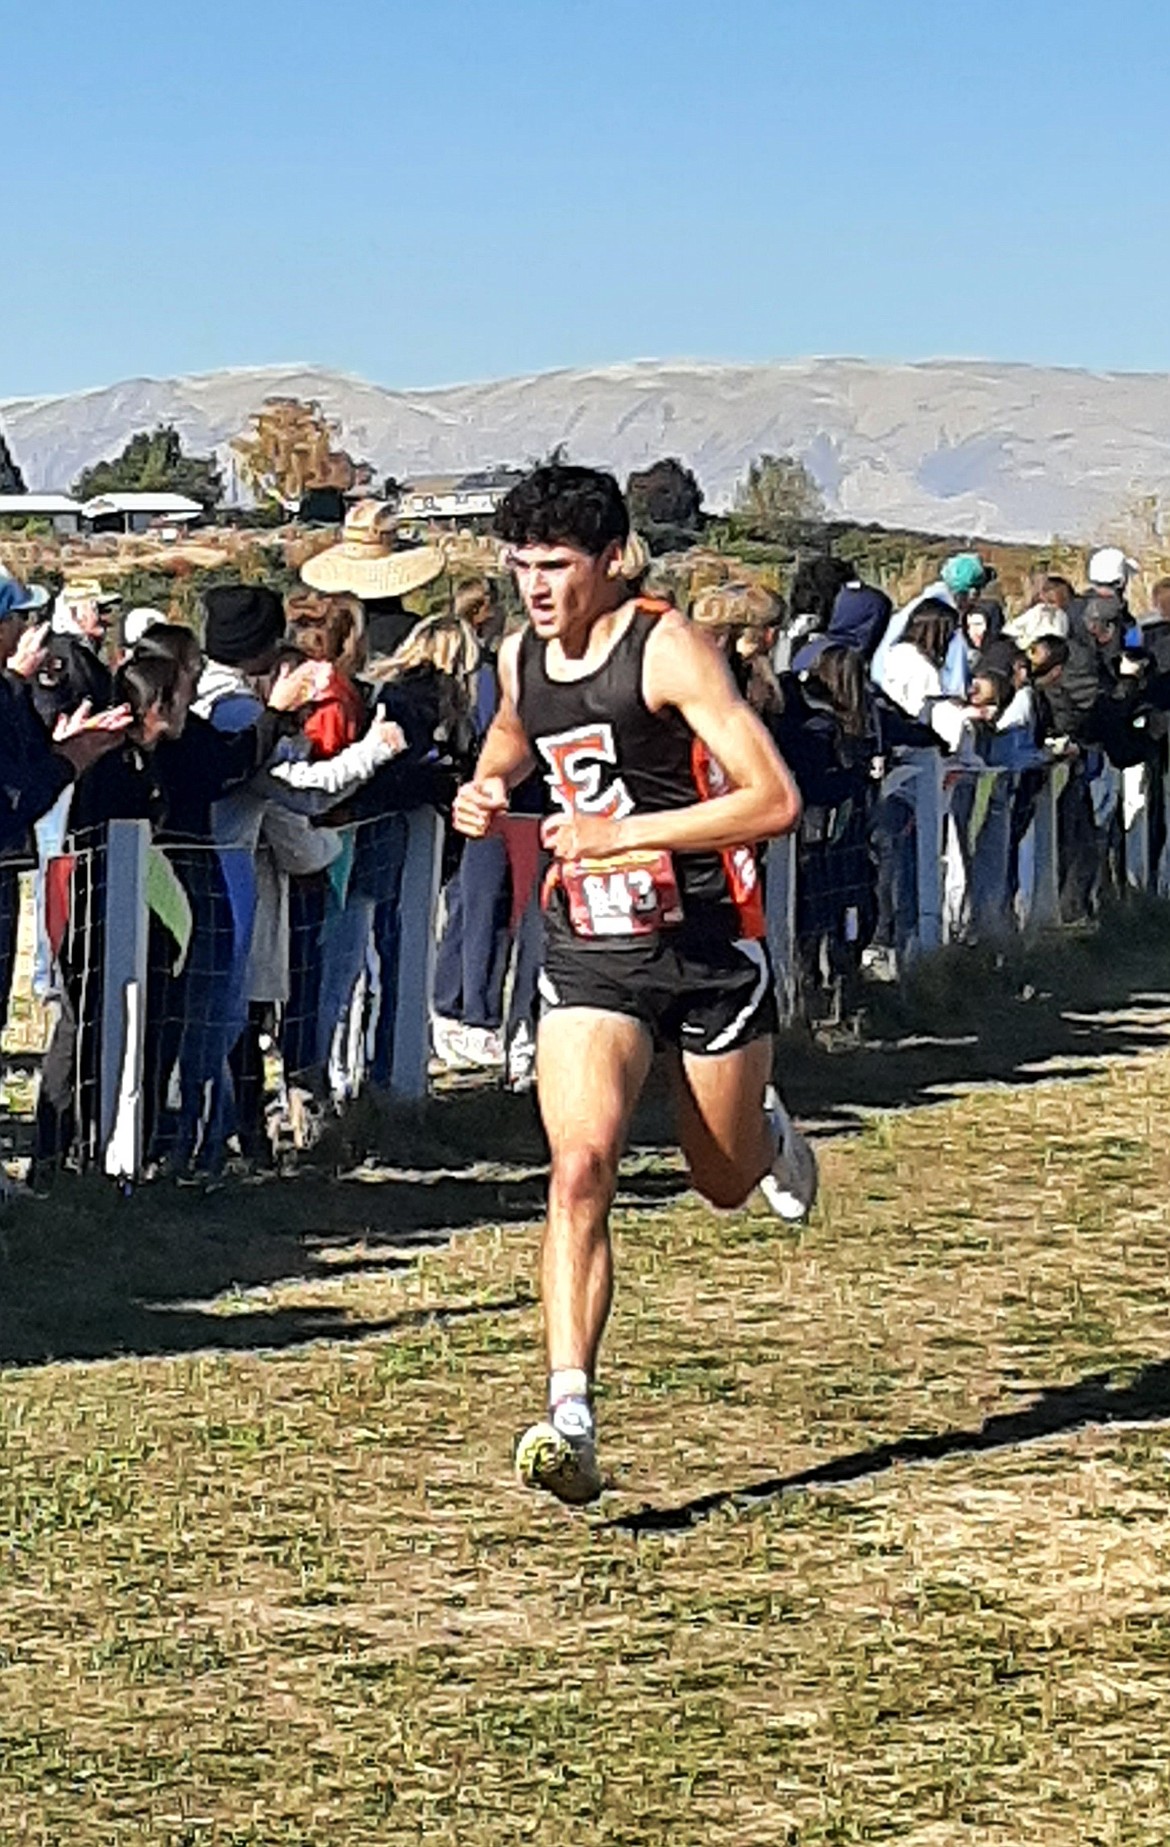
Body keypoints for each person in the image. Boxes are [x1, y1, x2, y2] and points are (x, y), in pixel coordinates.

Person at [452, 464, 808, 1506]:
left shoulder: (667, 647)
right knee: (579, 1165)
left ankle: (768, 1130)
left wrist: (627, 833)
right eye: (520, 564)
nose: (536, 586)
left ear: (612, 560)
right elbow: (516, 737)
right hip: (593, 947)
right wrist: (485, 785)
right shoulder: (521, 654)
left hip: (706, 940)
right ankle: (571, 1412)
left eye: (557, 565)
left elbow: (773, 796)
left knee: (722, 1180)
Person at [31, 576, 120, 727]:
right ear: (75, 613)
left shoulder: (74, 650)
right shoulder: (66, 654)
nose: (106, 618)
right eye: (98, 609)